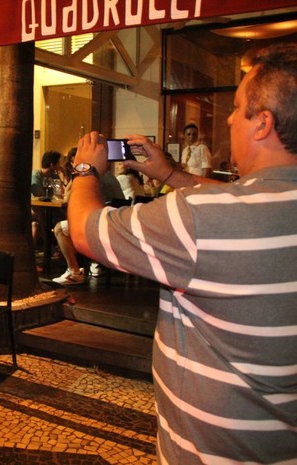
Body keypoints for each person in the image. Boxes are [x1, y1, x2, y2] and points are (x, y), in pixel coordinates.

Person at [68, 43, 297, 464]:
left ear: (263, 124)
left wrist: (85, 170)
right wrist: (171, 174)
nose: (227, 118)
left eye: (238, 107)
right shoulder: (242, 208)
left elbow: (86, 232)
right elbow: (236, 201)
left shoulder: (198, 219)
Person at [53, 148, 125, 284]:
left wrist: (76, 172)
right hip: (114, 222)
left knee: (59, 228)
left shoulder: (90, 176)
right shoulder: (110, 175)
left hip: (101, 225)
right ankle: (95, 264)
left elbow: (68, 198)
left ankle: (74, 271)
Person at [31, 150, 65, 248]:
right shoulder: (36, 175)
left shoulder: (53, 175)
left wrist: (63, 176)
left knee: (63, 216)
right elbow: (39, 195)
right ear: (52, 164)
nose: (60, 165)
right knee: (46, 220)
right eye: (59, 162)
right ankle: (50, 248)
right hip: (34, 208)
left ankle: (53, 249)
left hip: (47, 208)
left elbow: (61, 192)